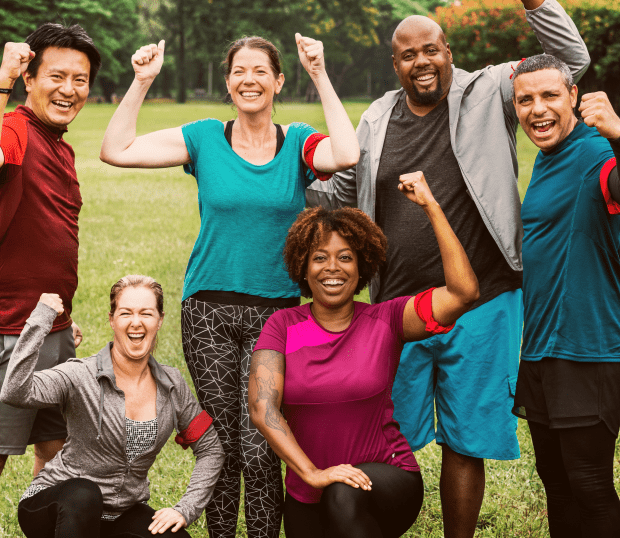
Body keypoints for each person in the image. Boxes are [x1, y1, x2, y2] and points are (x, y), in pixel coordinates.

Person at [305, 0, 590, 536]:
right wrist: (274, 169)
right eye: (408, 54)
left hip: (484, 299)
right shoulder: (377, 118)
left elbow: (570, 61)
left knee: (467, 440)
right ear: (395, 64)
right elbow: (339, 186)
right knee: (389, 438)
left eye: (431, 49)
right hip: (400, 309)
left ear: (449, 51)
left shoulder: (489, 91)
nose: (422, 61)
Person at [99, 34, 359, 538]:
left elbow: (346, 153)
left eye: (261, 70)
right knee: (221, 444)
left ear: (278, 81)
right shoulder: (204, 138)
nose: (249, 80)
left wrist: (320, 72)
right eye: (239, 71)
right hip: (208, 311)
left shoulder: (298, 142)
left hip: (276, 316)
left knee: (261, 440)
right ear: (228, 81)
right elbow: (115, 150)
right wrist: (142, 81)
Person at [249, 172, 479, 538]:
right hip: (309, 490)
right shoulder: (282, 325)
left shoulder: (387, 319)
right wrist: (311, 473)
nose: (333, 268)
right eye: (319, 258)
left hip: (385, 478)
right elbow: (262, 407)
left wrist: (430, 207)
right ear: (303, 269)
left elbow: (463, 293)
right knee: (333, 497)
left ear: (362, 267)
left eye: (345, 257)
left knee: (343, 494)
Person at [0, 275, 225, 537]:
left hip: (119, 513)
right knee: (84, 495)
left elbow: (210, 448)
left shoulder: (172, 386)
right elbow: (15, 391)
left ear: (160, 320)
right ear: (112, 319)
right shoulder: (81, 375)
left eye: (146, 313)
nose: (136, 322)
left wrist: (186, 508)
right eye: (126, 313)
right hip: (56, 505)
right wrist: (39, 321)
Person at [511, 55, 620, 538]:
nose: (538, 109)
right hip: (541, 351)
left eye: (550, 95)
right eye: (525, 99)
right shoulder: (550, 158)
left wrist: (619, 133)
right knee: (555, 482)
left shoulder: (598, 153)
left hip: (587, 349)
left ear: (573, 95)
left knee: (590, 484)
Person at [0, 24, 101, 478]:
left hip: (50, 329)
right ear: (29, 79)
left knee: (59, 457)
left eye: (79, 79)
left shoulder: (61, 145)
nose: (69, 89)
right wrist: (0, 80)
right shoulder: (15, 131)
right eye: (56, 76)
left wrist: (60, 321)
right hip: (9, 332)